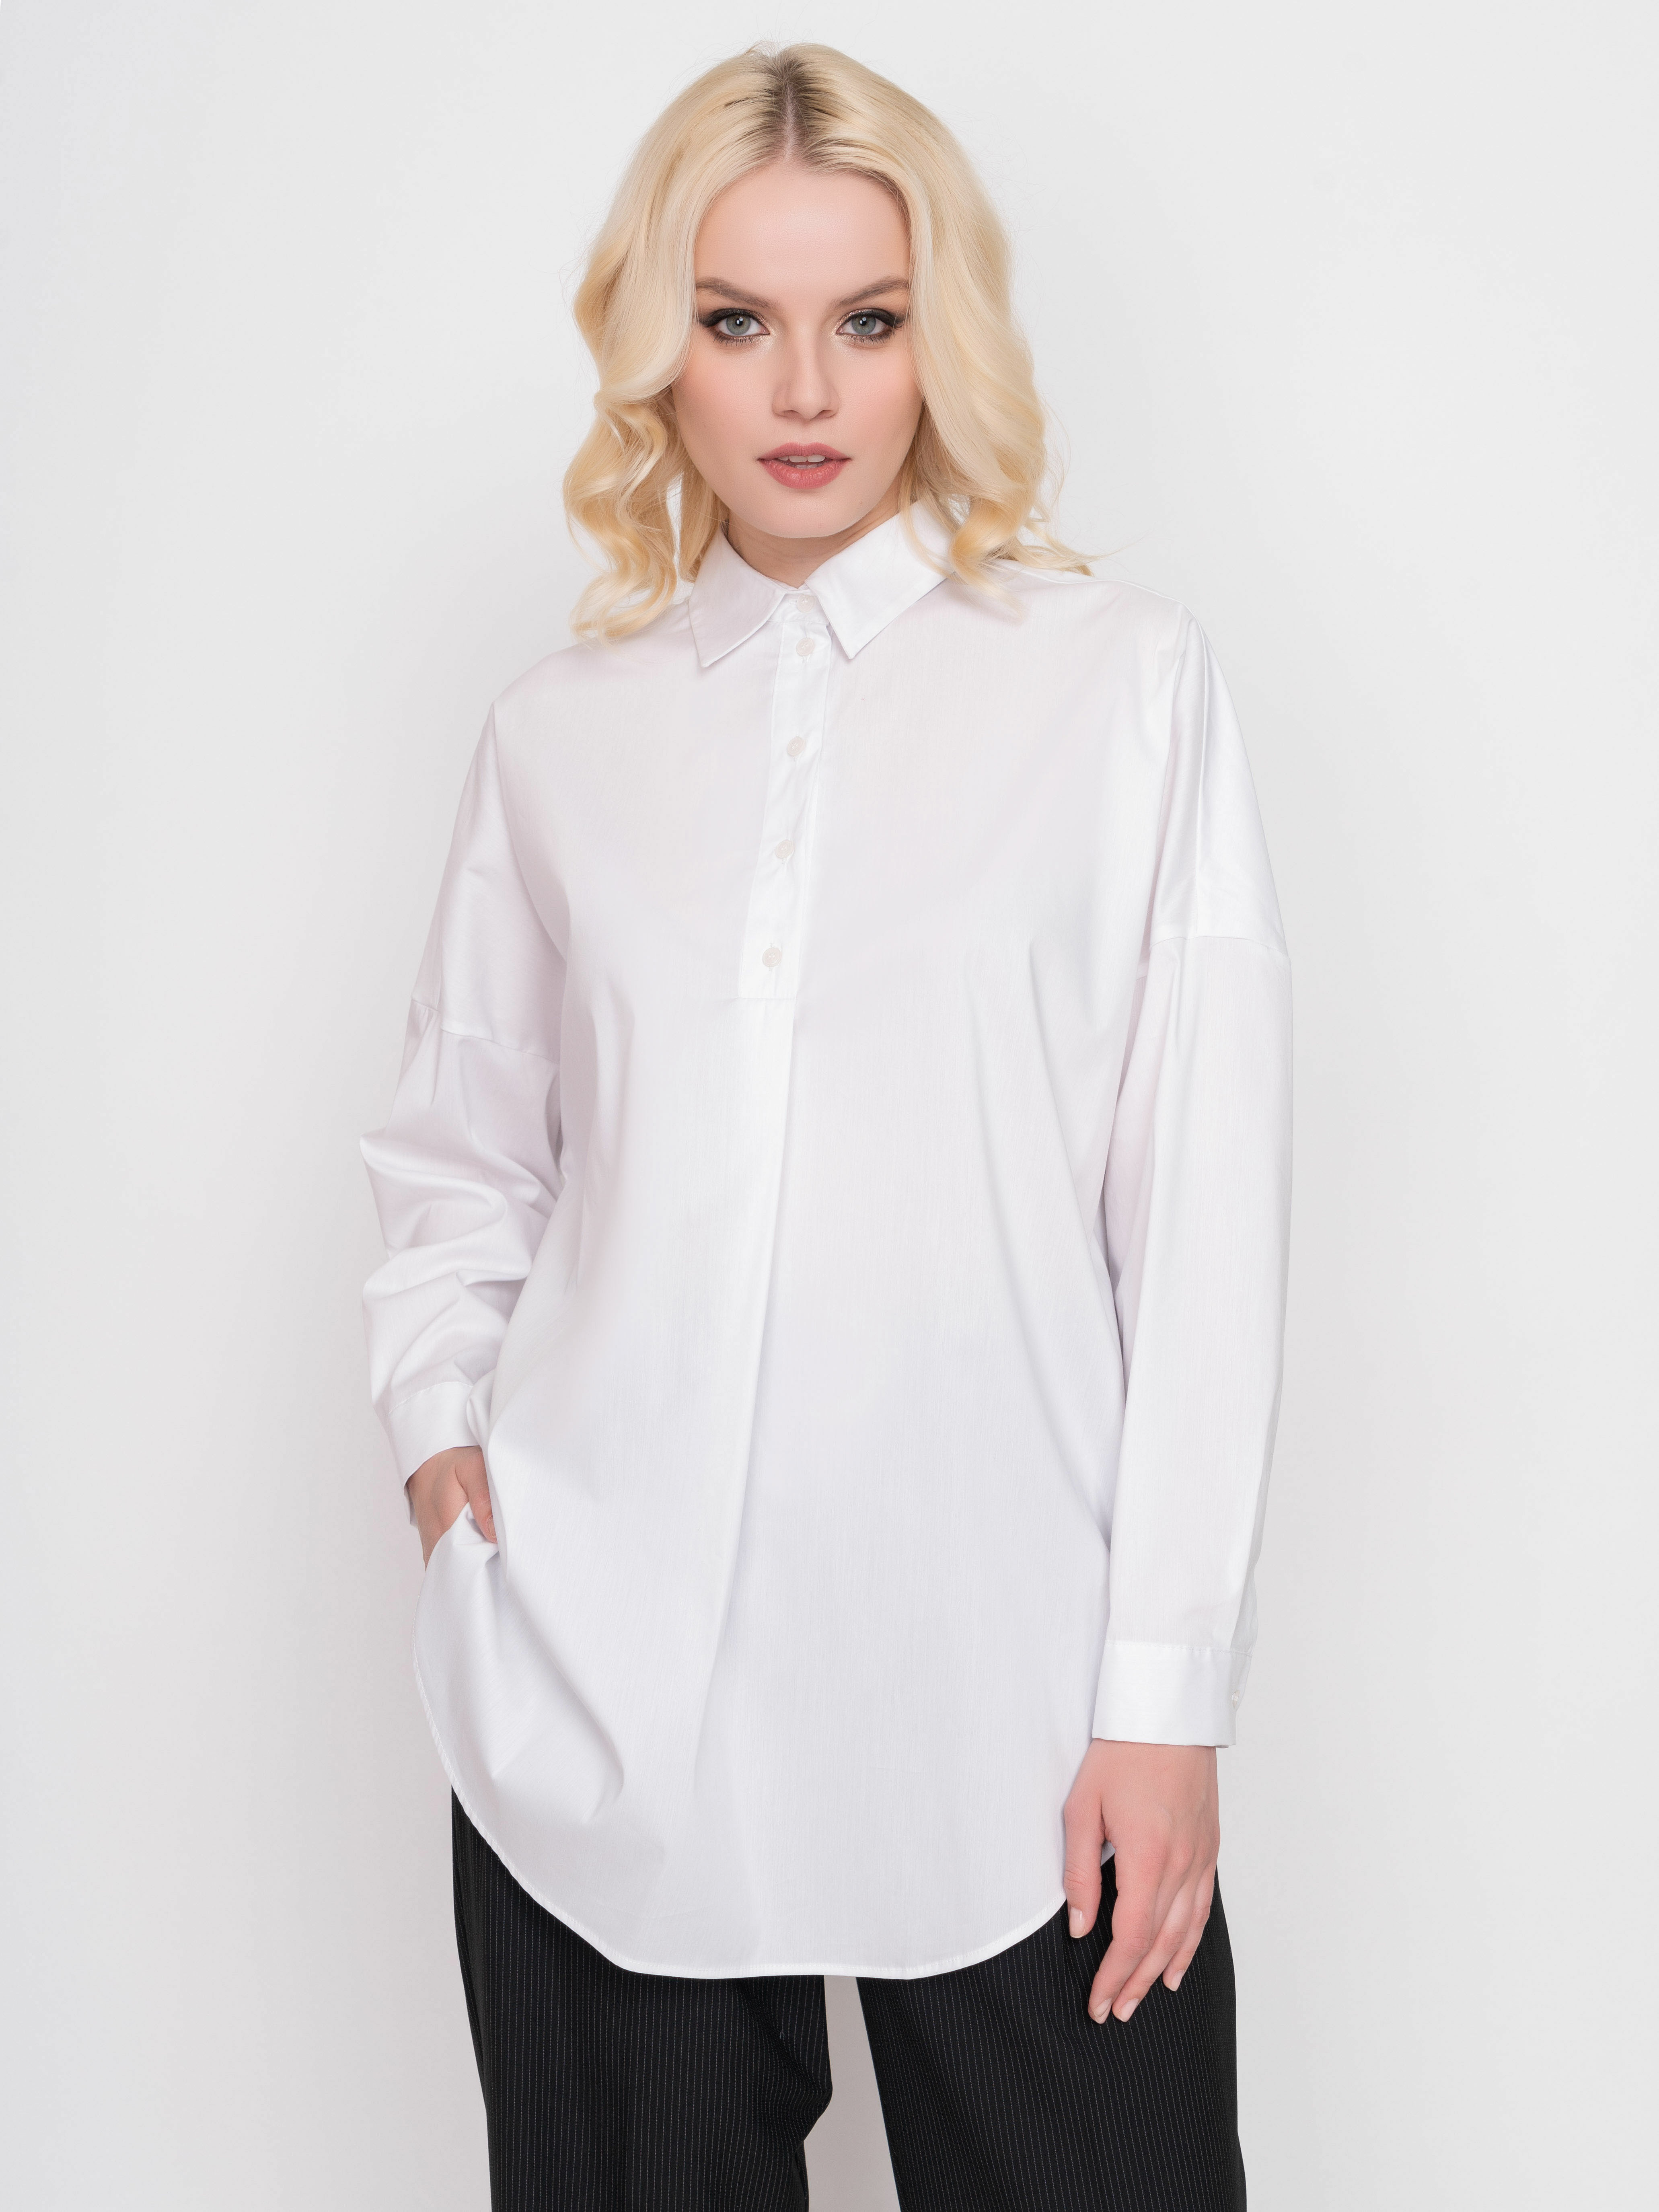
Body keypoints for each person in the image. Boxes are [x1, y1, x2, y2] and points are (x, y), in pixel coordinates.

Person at [361, 40, 1291, 2212]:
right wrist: (441, 1444)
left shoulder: (1119, 687)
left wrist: (1166, 1697)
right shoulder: (561, 738)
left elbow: (1205, 1218)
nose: (805, 389)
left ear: (939, 337)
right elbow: (460, 1148)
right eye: (737, 320)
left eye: (867, 320)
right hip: (602, 1689)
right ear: (657, 351)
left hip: (1013, 1699)